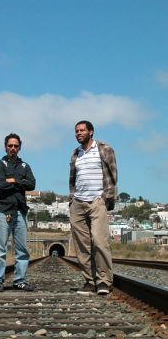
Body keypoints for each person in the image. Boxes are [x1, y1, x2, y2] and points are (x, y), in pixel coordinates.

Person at [69, 120, 117, 295]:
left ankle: (104, 281)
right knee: (82, 246)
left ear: (91, 132)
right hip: (78, 203)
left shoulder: (104, 149)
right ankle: (90, 281)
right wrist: (72, 199)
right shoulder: (76, 154)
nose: (78, 133)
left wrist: (107, 197)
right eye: (76, 131)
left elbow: (112, 174)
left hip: (97, 201)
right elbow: (72, 179)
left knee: (99, 240)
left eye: (82, 130)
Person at [0, 133, 36, 292]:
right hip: (4, 210)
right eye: (10, 145)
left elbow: (32, 184)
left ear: (19, 148)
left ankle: (19, 280)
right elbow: (2, 185)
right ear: (5, 147)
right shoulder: (0, 164)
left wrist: (15, 181)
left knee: (22, 249)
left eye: (16, 146)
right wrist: (21, 183)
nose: (13, 148)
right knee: (0, 248)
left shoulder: (25, 166)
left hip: (20, 212)